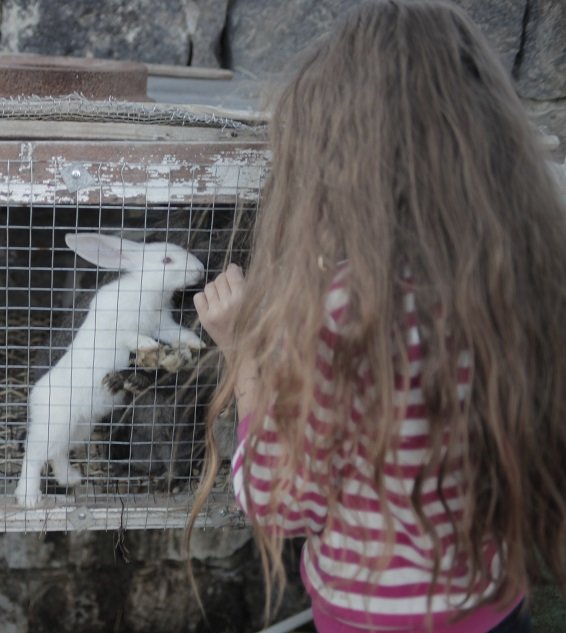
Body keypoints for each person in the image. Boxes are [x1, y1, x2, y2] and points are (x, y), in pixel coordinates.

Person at [188, 1, 566, 632]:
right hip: (496, 605)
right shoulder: (523, 273)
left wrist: (243, 354)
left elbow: (279, 504)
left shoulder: (341, 310)